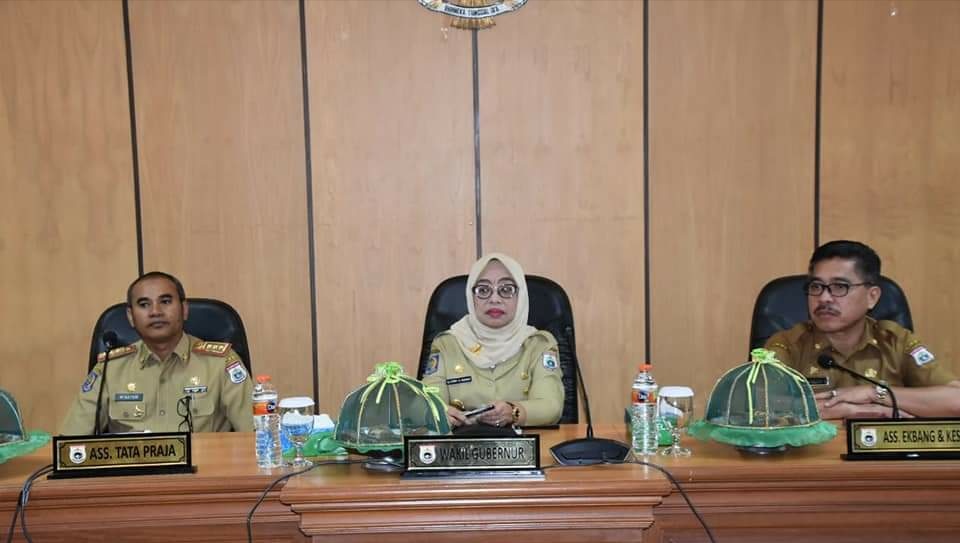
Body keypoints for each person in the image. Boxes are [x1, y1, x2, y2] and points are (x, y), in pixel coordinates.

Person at [765, 240, 960, 419]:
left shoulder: (895, 342)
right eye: (816, 286)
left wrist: (875, 394)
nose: (824, 298)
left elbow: (956, 399)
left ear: (872, 297)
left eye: (839, 287)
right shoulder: (788, 344)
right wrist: (849, 410)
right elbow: (761, 406)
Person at [60, 272, 254, 434]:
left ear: (184, 310)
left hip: (203, 468)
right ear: (130, 317)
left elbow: (256, 435)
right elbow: (71, 443)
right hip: (132, 469)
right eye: (144, 304)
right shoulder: (109, 369)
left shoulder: (221, 363)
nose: (155, 312)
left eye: (166, 301)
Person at [421, 253, 564, 428]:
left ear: (520, 296)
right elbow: (427, 402)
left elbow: (551, 406)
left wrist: (514, 412)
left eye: (506, 289)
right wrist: (439, 413)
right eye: (483, 290)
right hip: (462, 442)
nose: (494, 299)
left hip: (523, 442)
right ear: (471, 297)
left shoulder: (539, 344)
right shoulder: (447, 344)